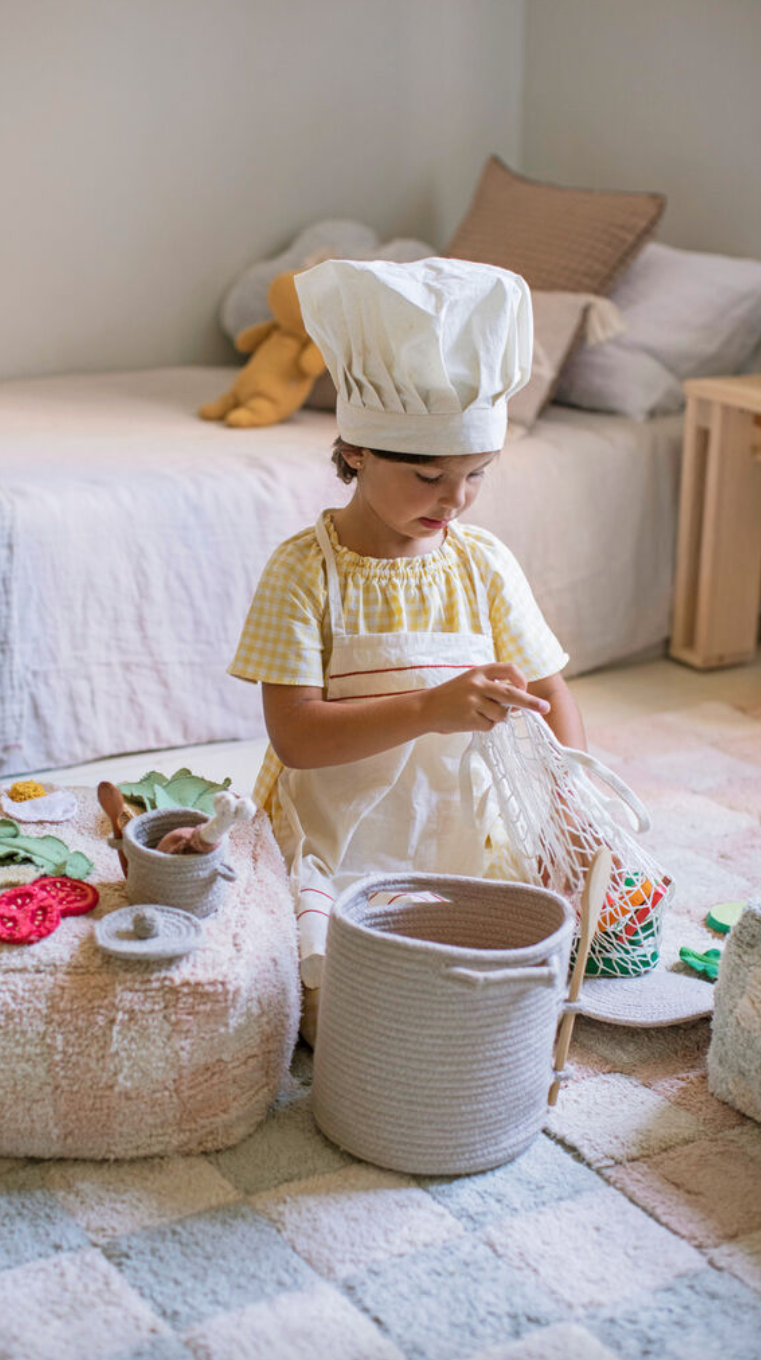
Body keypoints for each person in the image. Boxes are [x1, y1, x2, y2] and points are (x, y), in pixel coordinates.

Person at [228, 257, 585, 1043]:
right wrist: (431, 707)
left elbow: (552, 692)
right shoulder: (304, 570)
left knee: (507, 974)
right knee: (328, 1013)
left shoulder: (481, 561)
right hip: (338, 846)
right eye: (428, 475)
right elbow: (296, 736)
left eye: (476, 475)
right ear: (355, 451)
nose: (454, 500)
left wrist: (570, 814)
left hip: (463, 836)